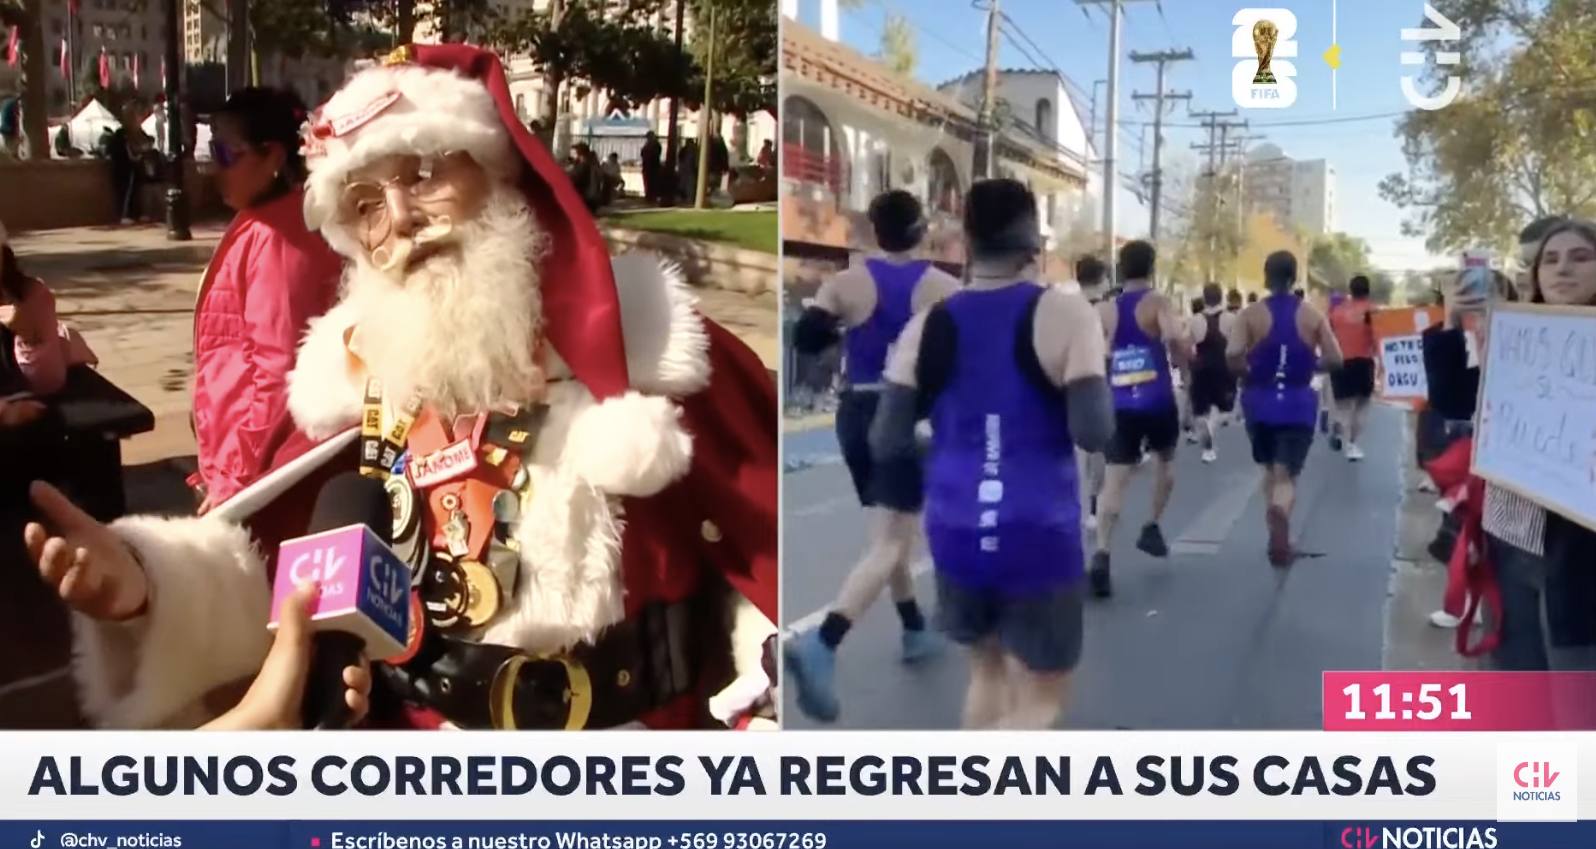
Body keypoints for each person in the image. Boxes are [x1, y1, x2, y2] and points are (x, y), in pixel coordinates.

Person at [23, 43, 777, 731]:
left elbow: (772, 574)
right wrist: (144, 584)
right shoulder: (353, 388)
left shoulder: (660, 360)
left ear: (501, 175)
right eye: (366, 207)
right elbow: (279, 578)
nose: (405, 220)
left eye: (425, 173)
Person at [871, 178, 1112, 728]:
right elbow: (1095, 432)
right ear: (1034, 242)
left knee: (986, 674)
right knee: (1043, 697)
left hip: (956, 529)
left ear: (966, 241)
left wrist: (960, 440)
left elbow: (886, 441)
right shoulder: (1068, 314)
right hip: (1039, 532)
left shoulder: (926, 326)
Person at [782, 190, 960, 723]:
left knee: (888, 531)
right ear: (921, 229)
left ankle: (912, 628)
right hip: (903, 415)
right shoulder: (942, 288)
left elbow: (806, 339)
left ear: (874, 231)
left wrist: (842, 326)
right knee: (890, 541)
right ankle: (825, 642)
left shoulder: (846, 283)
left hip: (854, 414)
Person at [190, 87, 345, 512]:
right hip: (246, 464)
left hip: (261, 475)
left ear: (274, 157)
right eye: (210, 152)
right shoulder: (268, 224)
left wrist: (234, 479)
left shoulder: (279, 240)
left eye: (224, 154)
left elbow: (277, 373)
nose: (213, 169)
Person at [1089, 240, 1193, 598]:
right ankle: (1152, 524)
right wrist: (1184, 367)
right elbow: (1176, 338)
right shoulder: (1158, 302)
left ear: (1121, 267)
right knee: (1166, 462)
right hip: (1157, 400)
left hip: (1119, 403)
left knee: (1114, 479)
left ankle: (1102, 553)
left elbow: (1094, 351)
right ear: (1151, 267)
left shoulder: (1106, 309)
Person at [1227, 251, 1342, 566]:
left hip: (1258, 402)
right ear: (1294, 278)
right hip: (1297, 403)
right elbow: (1336, 358)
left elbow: (1233, 354)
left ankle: (1274, 536)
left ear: (1266, 277)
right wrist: (1308, 366)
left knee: (1270, 469)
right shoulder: (1312, 315)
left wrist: (1249, 372)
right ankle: (1280, 520)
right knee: (1287, 476)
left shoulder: (1249, 315)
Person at [1073, 256, 1110, 534]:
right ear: (1101, 279)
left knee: (1074, 451)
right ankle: (1094, 509)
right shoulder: (1107, 310)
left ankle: (1078, 505)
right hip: (1098, 381)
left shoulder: (1064, 308)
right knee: (1097, 450)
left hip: (1068, 383)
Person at [1328, 275, 1377, 460]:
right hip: (1363, 362)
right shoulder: (1373, 312)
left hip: (1340, 362)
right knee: (1361, 406)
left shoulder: (1336, 312)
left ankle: (1340, 426)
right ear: (1368, 290)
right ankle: (1352, 444)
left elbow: (1329, 335)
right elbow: (1378, 339)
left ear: (1351, 290)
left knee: (1343, 407)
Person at [1187, 283, 1237, 463]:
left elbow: (1187, 347)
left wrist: (1189, 365)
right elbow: (1237, 347)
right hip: (1223, 367)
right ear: (1221, 297)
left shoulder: (1194, 320)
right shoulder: (1231, 319)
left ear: (1204, 298)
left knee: (1200, 411)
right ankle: (1212, 425)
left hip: (1200, 367)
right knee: (1226, 409)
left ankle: (1207, 450)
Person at [640, 131, 662, 203]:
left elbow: (653, 155)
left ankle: (651, 197)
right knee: (649, 182)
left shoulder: (655, 145)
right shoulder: (649, 145)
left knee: (651, 182)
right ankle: (649, 196)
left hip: (652, 166)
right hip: (648, 166)